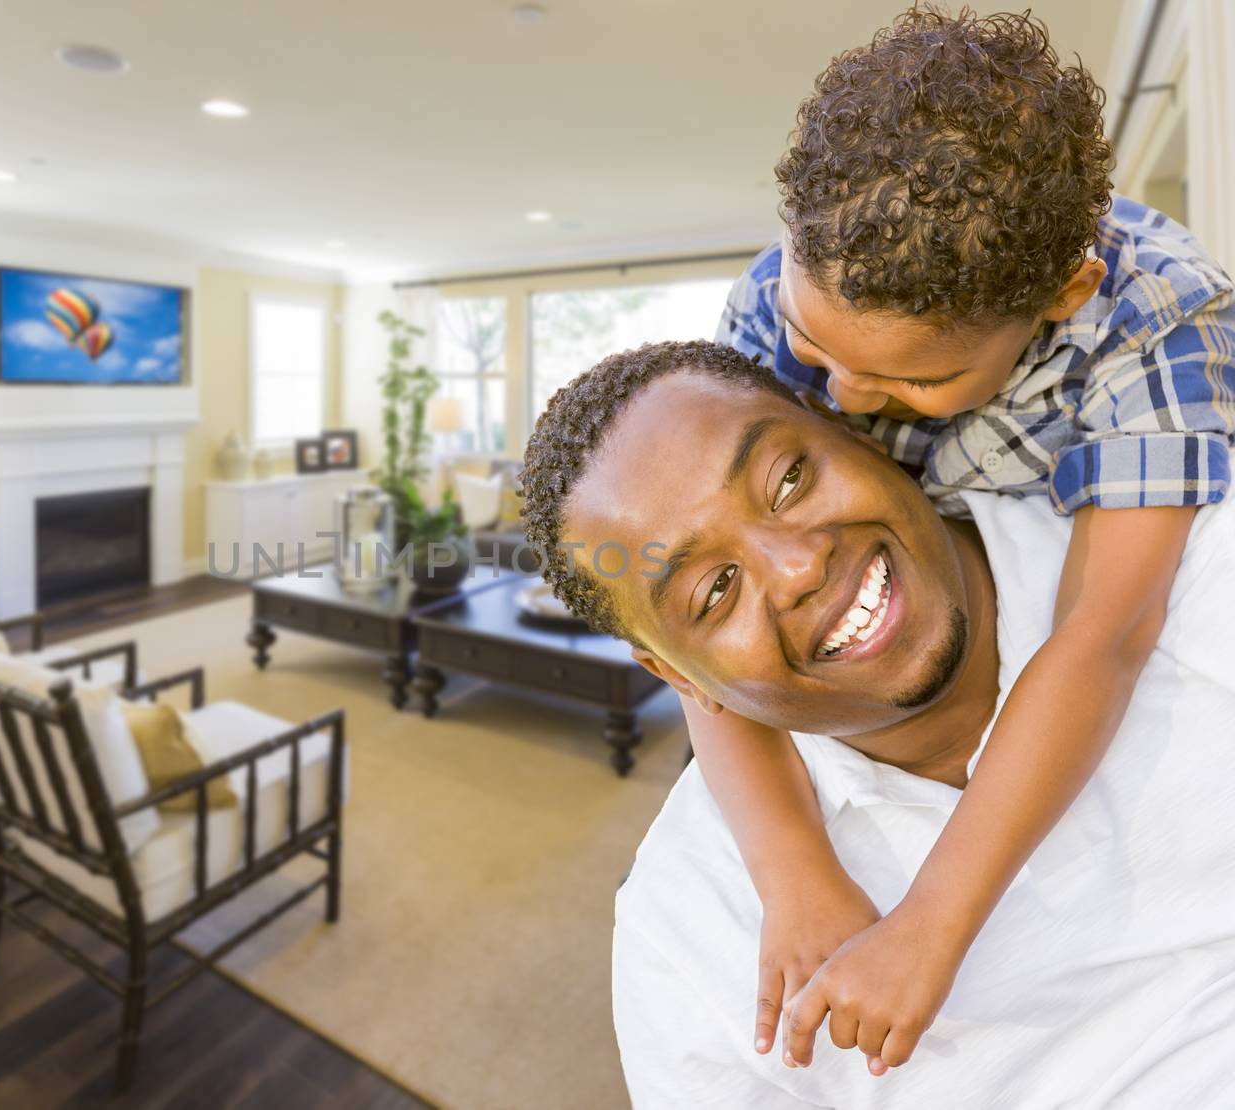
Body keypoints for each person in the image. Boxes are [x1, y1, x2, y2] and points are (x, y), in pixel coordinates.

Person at [697, 7, 1235, 1074]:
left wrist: (930, 924)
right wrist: (791, 866)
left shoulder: (1160, 315)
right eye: (816, 345)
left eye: (912, 379)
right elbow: (696, 609)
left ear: (1059, 297)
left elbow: (1103, 632)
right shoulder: (768, 301)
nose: (838, 396)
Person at [517, 338, 1235, 1106]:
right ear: (678, 677)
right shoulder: (686, 933)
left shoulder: (1196, 567)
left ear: (853, 430)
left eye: (789, 479)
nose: (797, 567)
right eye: (715, 590)